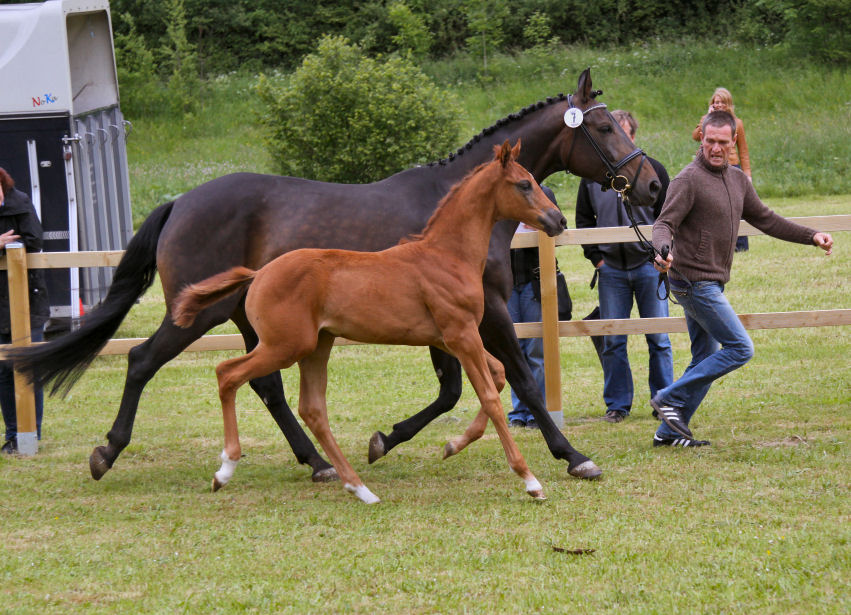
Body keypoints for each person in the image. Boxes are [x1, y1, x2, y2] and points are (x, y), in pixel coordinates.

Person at [651, 110, 833, 447]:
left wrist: (811, 235)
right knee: (739, 348)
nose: (715, 148)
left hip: (712, 281)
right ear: (700, 138)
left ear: (733, 141)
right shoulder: (687, 180)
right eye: (710, 141)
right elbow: (663, 224)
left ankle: (667, 434)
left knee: (706, 357)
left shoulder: (737, 180)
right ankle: (667, 397)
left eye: (722, 142)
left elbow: (766, 219)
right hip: (693, 282)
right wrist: (662, 248)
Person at [575, 110, 673, 423]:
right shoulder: (592, 177)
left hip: (649, 268)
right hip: (611, 271)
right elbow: (582, 220)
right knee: (613, 340)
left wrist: (662, 255)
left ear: (632, 135)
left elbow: (669, 217)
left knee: (658, 338)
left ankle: (664, 401)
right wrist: (597, 259)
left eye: (625, 133)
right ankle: (617, 406)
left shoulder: (654, 169)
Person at [0, 167, 49, 454]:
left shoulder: (20, 202)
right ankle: (12, 434)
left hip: (26, 299)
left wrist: (10, 245)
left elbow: (34, 240)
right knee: (4, 370)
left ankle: (32, 432)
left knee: (29, 365)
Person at [506, 185, 562, 429]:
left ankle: (536, 411)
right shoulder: (501, 196)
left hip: (534, 282)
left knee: (536, 350)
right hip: (506, 283)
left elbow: (561, 229)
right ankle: (519, 410)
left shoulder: (544, 194)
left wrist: (541, 228)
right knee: (513, 350)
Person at [692, 87, 752, 251]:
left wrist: (747, 174)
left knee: (736, 205)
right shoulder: (707, 119)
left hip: (732, 166)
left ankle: (740, 245)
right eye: (715, 102)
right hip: (710, 167)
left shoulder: (737, 123)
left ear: (728, 104)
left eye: (721, 102)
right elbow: (696, 136)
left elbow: (743, 150)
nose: (718, 105)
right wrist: (707, 117)